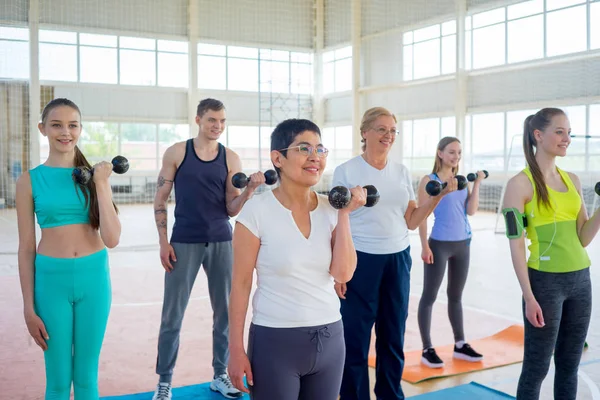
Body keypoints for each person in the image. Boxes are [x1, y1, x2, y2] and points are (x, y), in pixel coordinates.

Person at [227, 118, 364, 399]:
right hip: (275, 341)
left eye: (320, 149)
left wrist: (344, 214)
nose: (315, 157)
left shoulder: (331, 209)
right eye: (304, 148)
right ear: (278, 157)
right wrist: (235, 349)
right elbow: (240, 285)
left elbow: (343, 273)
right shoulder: (256, 212)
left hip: (330, 338)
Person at [333, 107, 457, 400]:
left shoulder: (401, 171)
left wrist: (438, 197)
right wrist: (338, 269)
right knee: (355, 339)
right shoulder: (347, 171)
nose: (388, 136)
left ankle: (391, 395)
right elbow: (336, 221)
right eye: (381, 129)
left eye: (392, 131)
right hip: (359, 259)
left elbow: (412, 221)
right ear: (365, 132)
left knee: (392, 337)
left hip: (398, 259)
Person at [152, 98, 261, 399]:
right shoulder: (177, 152)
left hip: (221, 241)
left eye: (223, 121)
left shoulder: (231, 158)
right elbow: (160, 200)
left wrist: (249, 191)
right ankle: (164, 382)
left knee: (225, 313)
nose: (218, 126)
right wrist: (163, 242)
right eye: (212, 120)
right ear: (198, 119)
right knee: (172, 315)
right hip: (183, 241)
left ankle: (220, 375)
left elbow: (231, 207)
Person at [16, 98, 121, 399]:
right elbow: (25, 248)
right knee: (58, 380)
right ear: (43, 129)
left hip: (94, 280)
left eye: (72, 125)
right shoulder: (29, 181)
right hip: (51, 283)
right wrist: (28, 307)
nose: (66, 132)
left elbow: (112, 239)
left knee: (87, 377)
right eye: (57, 125)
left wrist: (101, 184)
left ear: (80, 129)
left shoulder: (93, 176)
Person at [503, 108, 600, 400]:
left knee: (569, 366)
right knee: (536, 369)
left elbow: (583, 237)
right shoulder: (519, 185)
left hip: (581, 281)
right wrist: (529, 296)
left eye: (568, 132)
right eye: (560, 132)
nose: (566, 138)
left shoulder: (573, 180)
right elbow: (516, 244)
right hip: (544, 285)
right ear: (538, 135)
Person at [416, 136, 485, 368]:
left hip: (463, 243)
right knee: (429, 296)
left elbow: (471, 211)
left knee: (456, 297)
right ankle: (427, 349)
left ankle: (460, 344)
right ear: (440, 153)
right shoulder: (430, 180)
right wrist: (425, 245)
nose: (456, 157)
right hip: (440, 245)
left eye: (459, 153)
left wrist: (477, 185)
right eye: (452, 152)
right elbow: (422, 214)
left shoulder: (461, 181)